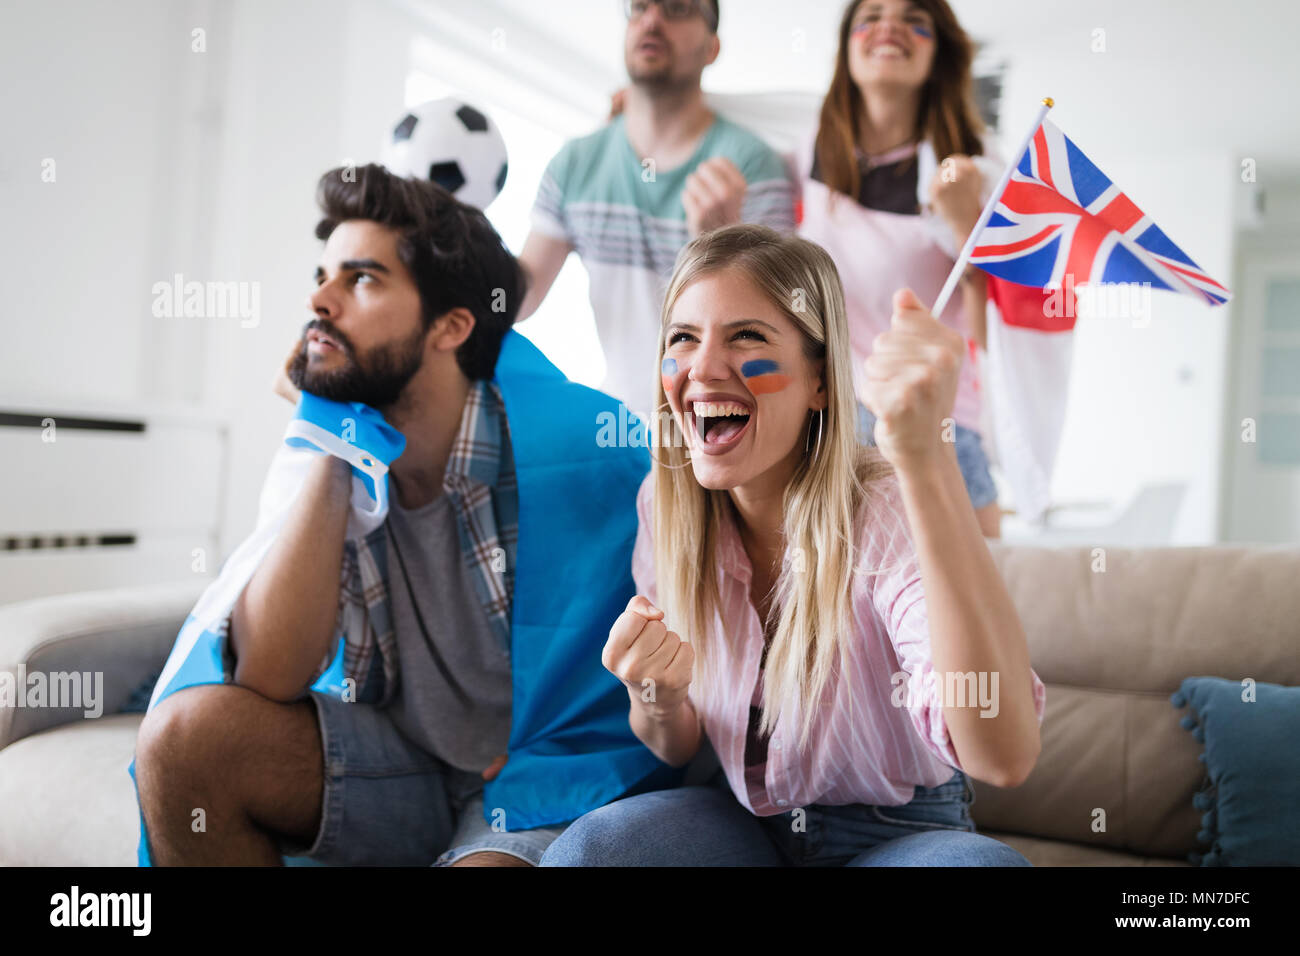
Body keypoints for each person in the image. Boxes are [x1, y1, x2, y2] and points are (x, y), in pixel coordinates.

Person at [132, 164, 673, 867]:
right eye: (323, 275)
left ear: (450, 327)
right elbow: (269, 677)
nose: (318, 301)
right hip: (403, 765)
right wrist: (332, 446)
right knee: (184, 740)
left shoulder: (586, 449)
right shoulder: (338, 443)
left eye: (360, 280)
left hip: (540, 780)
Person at [540, 224, 1046, 866]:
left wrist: (929, 462)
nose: (701, 368)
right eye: (683, 339)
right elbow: (675, 744)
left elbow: (1002, 754)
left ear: (821, 383)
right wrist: (657, 696)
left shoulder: (889, 508)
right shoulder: (663, 505)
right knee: (591, 852)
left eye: (746, 336)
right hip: (743, 825)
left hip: (900, 834)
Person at [516, 0, 796, 417]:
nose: (652, 19)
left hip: (721, 424)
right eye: (639, 6)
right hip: (621, 425)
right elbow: (519, 297)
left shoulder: (753, 165)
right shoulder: (574, 164)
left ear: (711, 48)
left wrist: (717, 244)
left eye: (677, 8)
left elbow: (782, 327)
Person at [797, 0, 1006, 535]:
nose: (889, 26)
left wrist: (965, 228)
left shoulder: (977, 166)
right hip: (832, 424)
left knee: (972, 602)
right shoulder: (805, 153)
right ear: (847, 45)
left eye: (915, 20)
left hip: (939, 421)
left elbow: (993, 339)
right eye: (870, 15)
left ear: (939, 53)